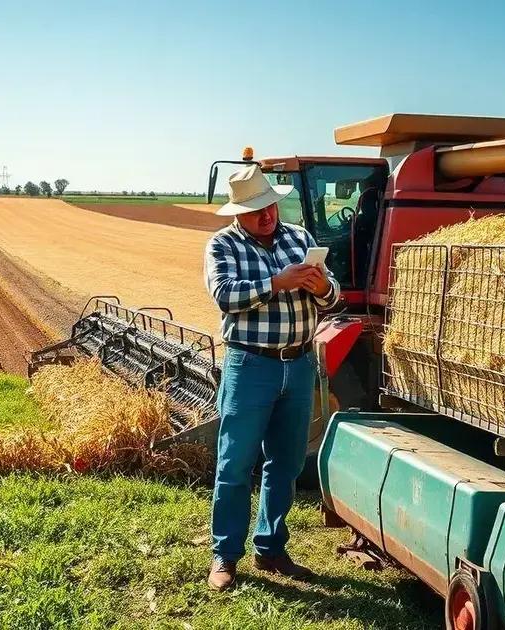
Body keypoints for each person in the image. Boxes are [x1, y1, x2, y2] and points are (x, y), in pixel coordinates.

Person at [203, 164, 340, 591]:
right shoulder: (222, 245)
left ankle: (271, 548)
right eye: (256, 209)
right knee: (236, 463)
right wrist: (277, 282)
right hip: (251, 365)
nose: (267, 215)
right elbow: (224, 296)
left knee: (286, 462)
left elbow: (335, 296)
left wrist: (320, 288)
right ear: (237, 214)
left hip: (298, 364)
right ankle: (225, 556)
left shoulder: (299, 239)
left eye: (270, 205)